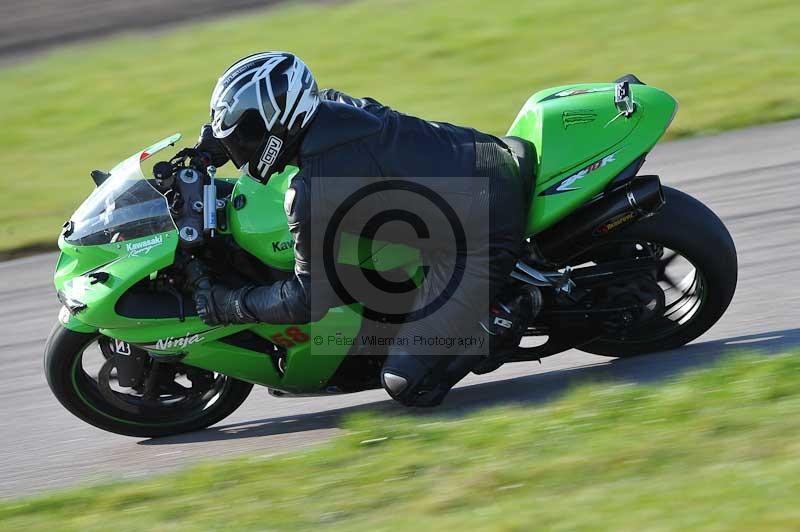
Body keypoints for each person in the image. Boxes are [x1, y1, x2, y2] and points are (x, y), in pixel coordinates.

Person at [193, 51, 536, 406]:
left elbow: (308, 300)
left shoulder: (314, 189)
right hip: (477, 157)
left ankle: (496, 317)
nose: (239, 147)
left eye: (245, 134)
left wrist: (231, 305)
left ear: (279, 121)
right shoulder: (329, 107)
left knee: (406, 383)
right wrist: (211, 148)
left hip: (481, 229)